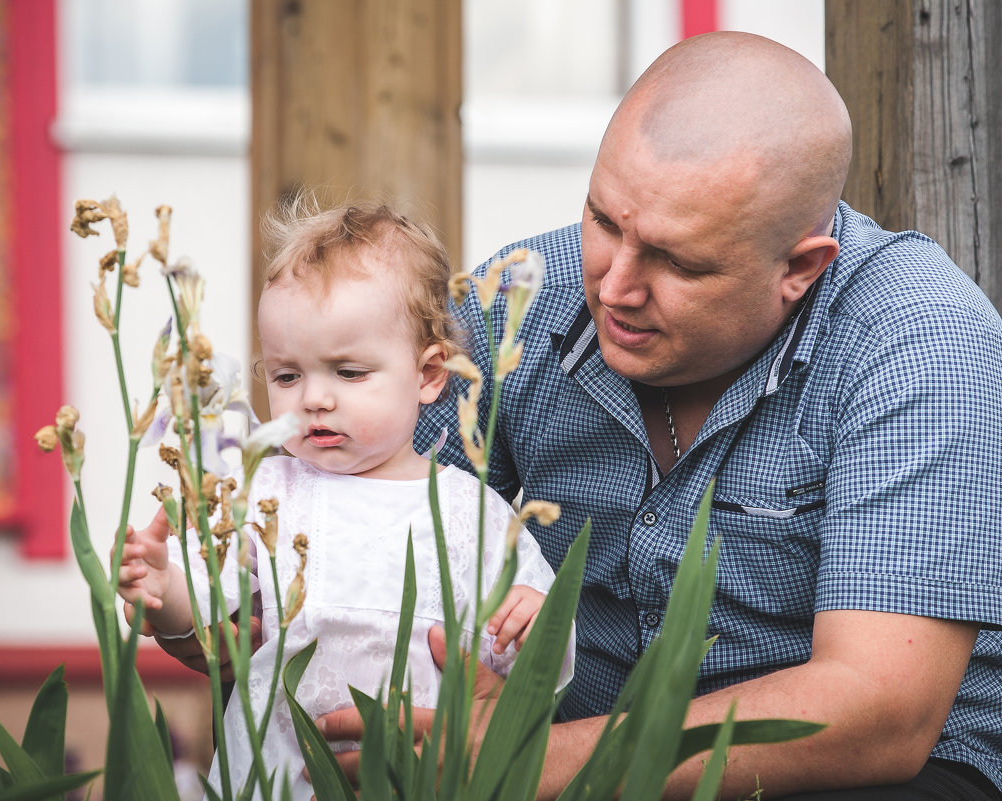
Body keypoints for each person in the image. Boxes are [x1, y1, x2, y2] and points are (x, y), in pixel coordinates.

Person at [311, 31, 1002, 799]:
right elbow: (342, 526)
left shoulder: (920, 341)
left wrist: (525, 761)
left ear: (800, 269)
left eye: (679, 262)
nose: (614, 287)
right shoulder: (511, 308)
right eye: (604, 221)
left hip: (858, 776)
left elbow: (880, 710)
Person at [117, 199, 572, 801]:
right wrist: (162, 586)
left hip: (421, 779)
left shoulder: (471, 510)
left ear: (430, 372)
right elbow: (205, 600)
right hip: (276, 776)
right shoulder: (268, 491)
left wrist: (534, 619)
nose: (314, 400)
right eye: (286, 376)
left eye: (349, 372)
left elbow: (537, 666)